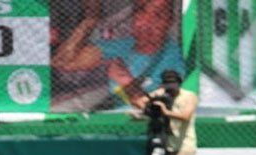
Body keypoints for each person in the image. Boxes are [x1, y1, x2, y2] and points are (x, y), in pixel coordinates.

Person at [52, 0, 183, 110]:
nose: (147, 21)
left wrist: (126, 81)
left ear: (169, 21)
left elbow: (162, 112)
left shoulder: (175, 59)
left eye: (158, 15)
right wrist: (90, 20)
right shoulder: (122, 46)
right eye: (140, 11)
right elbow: (62, 62)